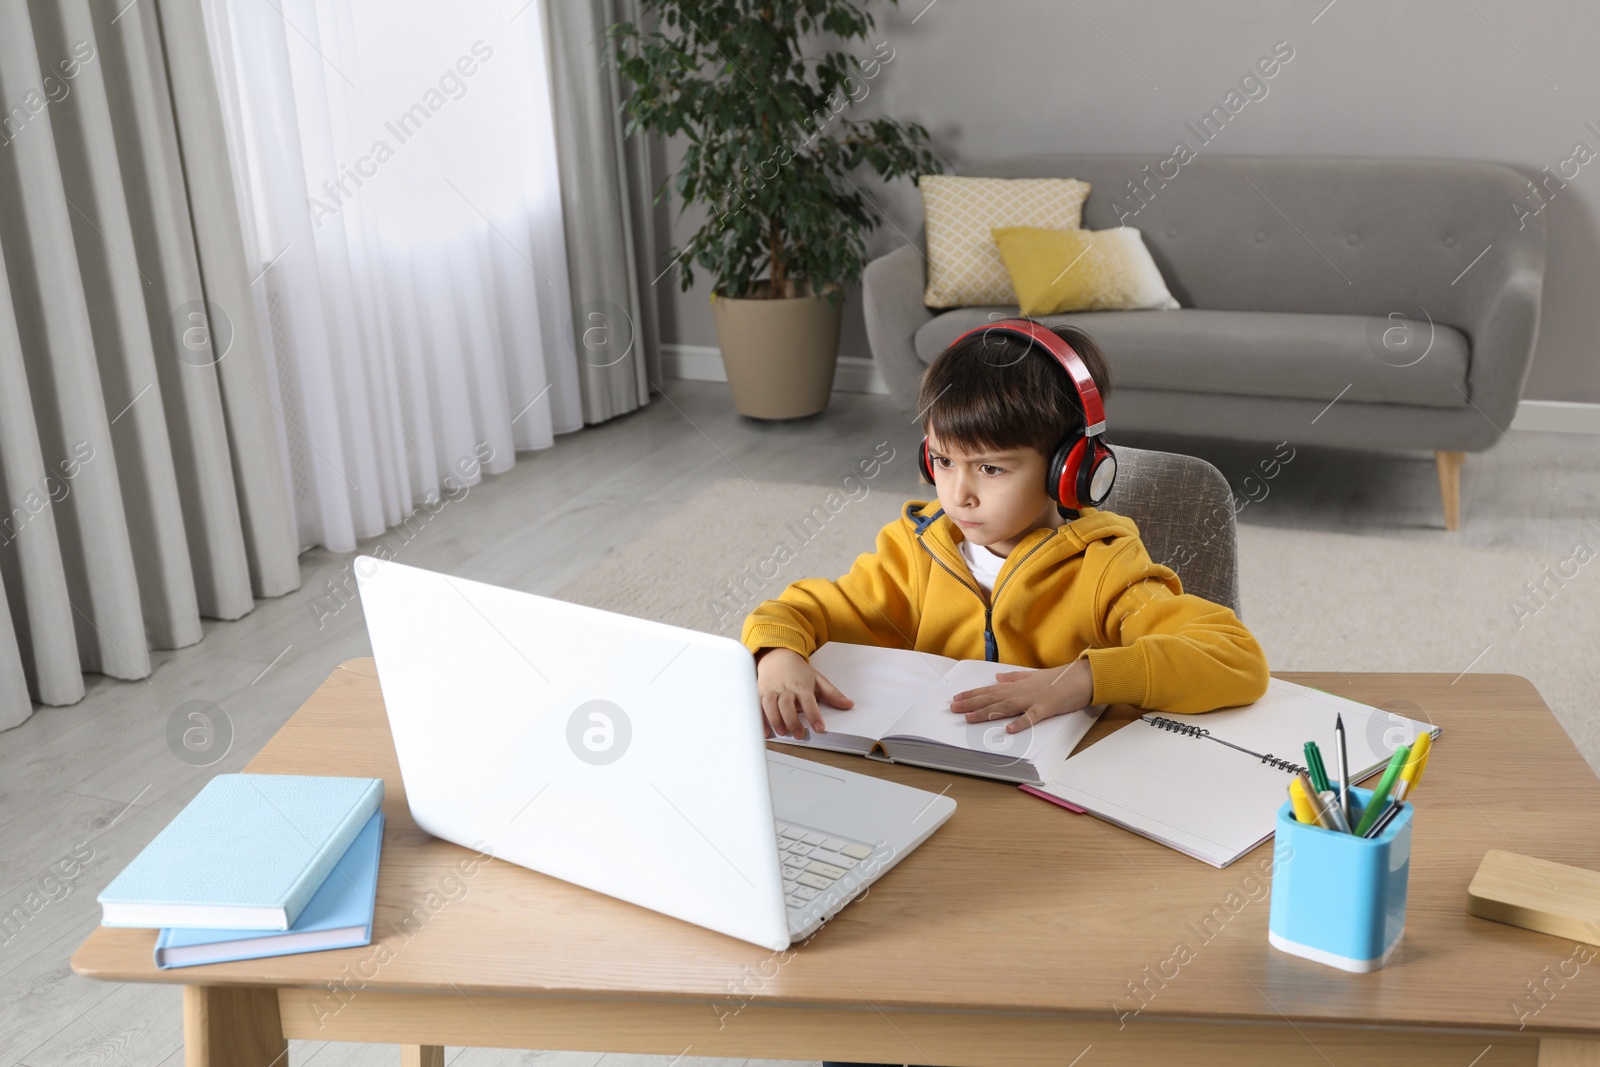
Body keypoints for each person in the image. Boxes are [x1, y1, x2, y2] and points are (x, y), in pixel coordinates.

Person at [740, 319, 1270, 1067]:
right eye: (944, 460)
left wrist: (1085, 676)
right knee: (862, 1005)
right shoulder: (916, 550)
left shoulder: (1106, 567)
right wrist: (776, 651)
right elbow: (803, 608)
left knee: (1018, 1007)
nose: (958, 491)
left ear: (1070, 471)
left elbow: (1232, 654)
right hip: (932, 820)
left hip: (1051, 843)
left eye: (990, 468)